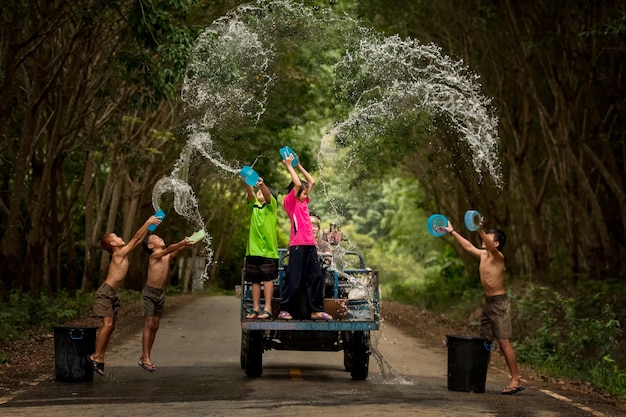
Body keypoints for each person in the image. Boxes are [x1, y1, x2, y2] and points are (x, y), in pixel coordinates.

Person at [444, 217, 525, 395]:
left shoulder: (498, 257)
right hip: (488, 303)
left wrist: (479, 229)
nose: (483, 239)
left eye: (488, 237)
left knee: (504, 342)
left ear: (495, 243)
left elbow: (485, 242)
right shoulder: (483, 255)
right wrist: (452, 231)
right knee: (484, 343)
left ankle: (516, 379)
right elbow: (467, 246)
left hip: (499, 304)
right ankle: (477, 378)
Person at [88, 214, 161, 376]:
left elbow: (138, 238)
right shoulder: (119, 253)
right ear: (113, 243)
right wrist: (147, 221)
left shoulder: (122, 252)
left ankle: (100, 357)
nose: (121, 238)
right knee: (107, 325)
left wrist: (149, 227)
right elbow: (136, 239)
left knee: (111, 326)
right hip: (105, 293)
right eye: (117, 237)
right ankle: (95, 356)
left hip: (112, 294)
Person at [278, 153, 332, 320]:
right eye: (302, 193)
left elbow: (312, 181)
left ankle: (315, 311)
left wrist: (299, 166)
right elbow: (296, 183)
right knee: (294, 279)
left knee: (315, 277)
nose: (305, 195)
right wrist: (288, 166)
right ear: (294, 193)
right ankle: (284, 310)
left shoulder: (303, 202)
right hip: (298, 246)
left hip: (310, 246)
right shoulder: (290, 204)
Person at [138, 234, 194, 372]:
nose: (160, 238)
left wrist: (185, 245)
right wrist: (181, 241)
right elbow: (169, 249)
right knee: (149, 323)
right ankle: (145, 356)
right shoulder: (154, 256)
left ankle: (145, 355)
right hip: (149, 294)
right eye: (156, 238)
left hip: (160, 293)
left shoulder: (165, 256)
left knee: (155, 325)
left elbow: (174, 252)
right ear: (151, 246)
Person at [243, 176, 279, 320]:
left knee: (267, 279)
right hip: (253, 251)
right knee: (255, 280)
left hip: (269, 252)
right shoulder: (254, 206)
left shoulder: (272, 207)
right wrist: (246, 180)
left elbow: (268, 195)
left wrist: (262, 185)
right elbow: (250, 193)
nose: (260, 193)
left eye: (262, 192)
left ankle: (268, 308)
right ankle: (256, 308)